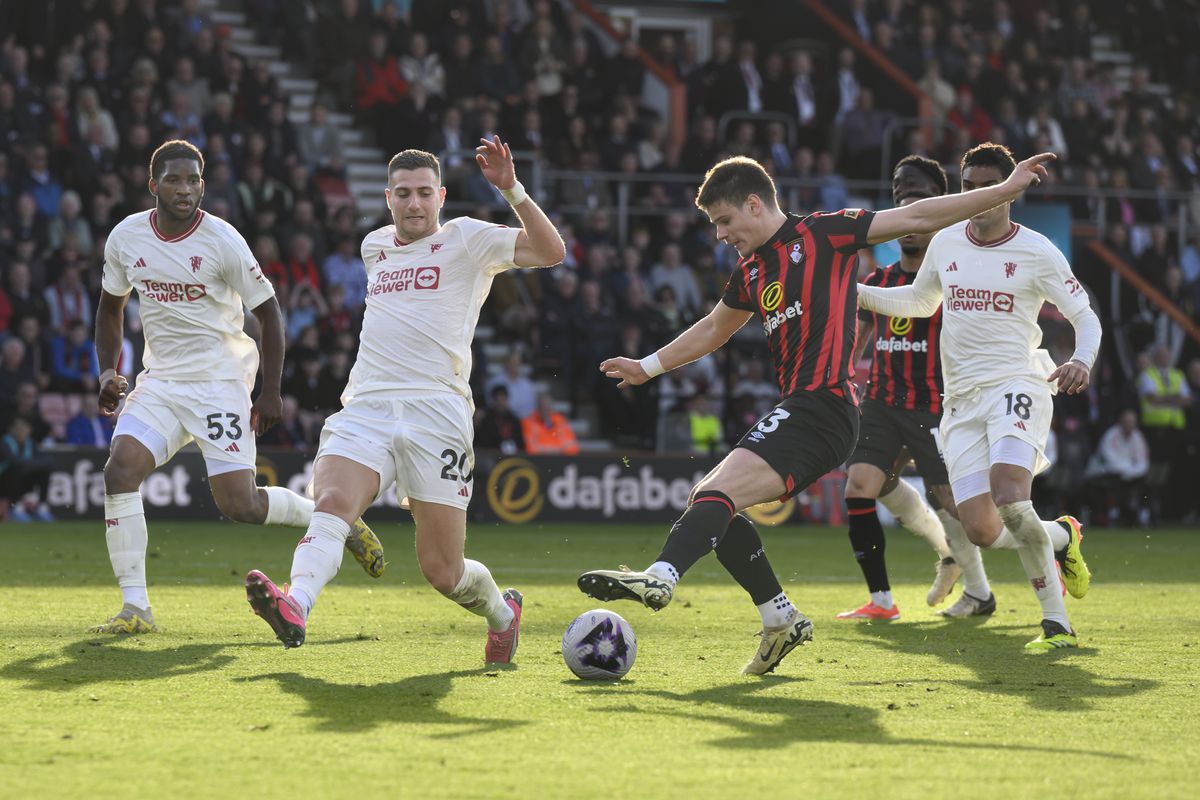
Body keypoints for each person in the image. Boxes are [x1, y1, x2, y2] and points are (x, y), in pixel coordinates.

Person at [578, 149, 1056, 674]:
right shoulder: (752, 270)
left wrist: (1007, 188)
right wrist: (647, 366)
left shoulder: (827, 233)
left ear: (755, 204)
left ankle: (662, 575)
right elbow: (715, 328)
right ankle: (779, 619)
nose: (720, 234)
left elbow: (919, 216)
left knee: (714, 495)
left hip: (825, 405)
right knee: (711, 503)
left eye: (724, 221)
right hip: (803, 407)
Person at [244, 140, 566, 663]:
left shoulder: (468, 239)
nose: (414, 204)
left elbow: (552, 253)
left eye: (423, 193)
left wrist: (511, 188)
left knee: (444, 572)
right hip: (367, 405)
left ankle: (503, 616)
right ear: (388, 198)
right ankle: (295, 603)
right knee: (330, 504)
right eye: (403, 194)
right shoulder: (375, 246)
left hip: (437, 413)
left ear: (440, 196)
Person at [92, 140, 385, 635]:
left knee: (240, 505)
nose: (184, 190)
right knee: (119, 472)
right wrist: (107, 371)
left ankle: (333, 518)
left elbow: (269, 314)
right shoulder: (127, 238)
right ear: (153, 186)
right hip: (161, 382)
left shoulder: (223, 240)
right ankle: (135, 609)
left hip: (220, 383)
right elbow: (110, 307)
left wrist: (270, 390)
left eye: (193, 181)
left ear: (203, 186)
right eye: (173, 180)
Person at [857, 143, 1101, 652]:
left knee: (1012, 495)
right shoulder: (946, 242)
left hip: (1018, 383)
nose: (978, 195)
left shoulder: (1036, 250)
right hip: (960, 402)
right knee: (984, 529)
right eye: (968, 187)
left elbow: (1085, 315)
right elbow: (922, 302)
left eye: (988, 185)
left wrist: (1081, 358)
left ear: (1009, 188)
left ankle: (1056, 624)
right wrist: (852, 292)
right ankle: (1062, 537)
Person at [837, 155, 972, 622]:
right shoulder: (879, 281)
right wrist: (842, 376)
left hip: (936, 406)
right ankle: (881, 601)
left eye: (917, 199)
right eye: (899, 199)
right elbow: (858, 343)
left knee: (958, 506)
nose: (907, 213)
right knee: (861, 488)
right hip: (882, 402)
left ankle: (1043, 546)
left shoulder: (955, 278)